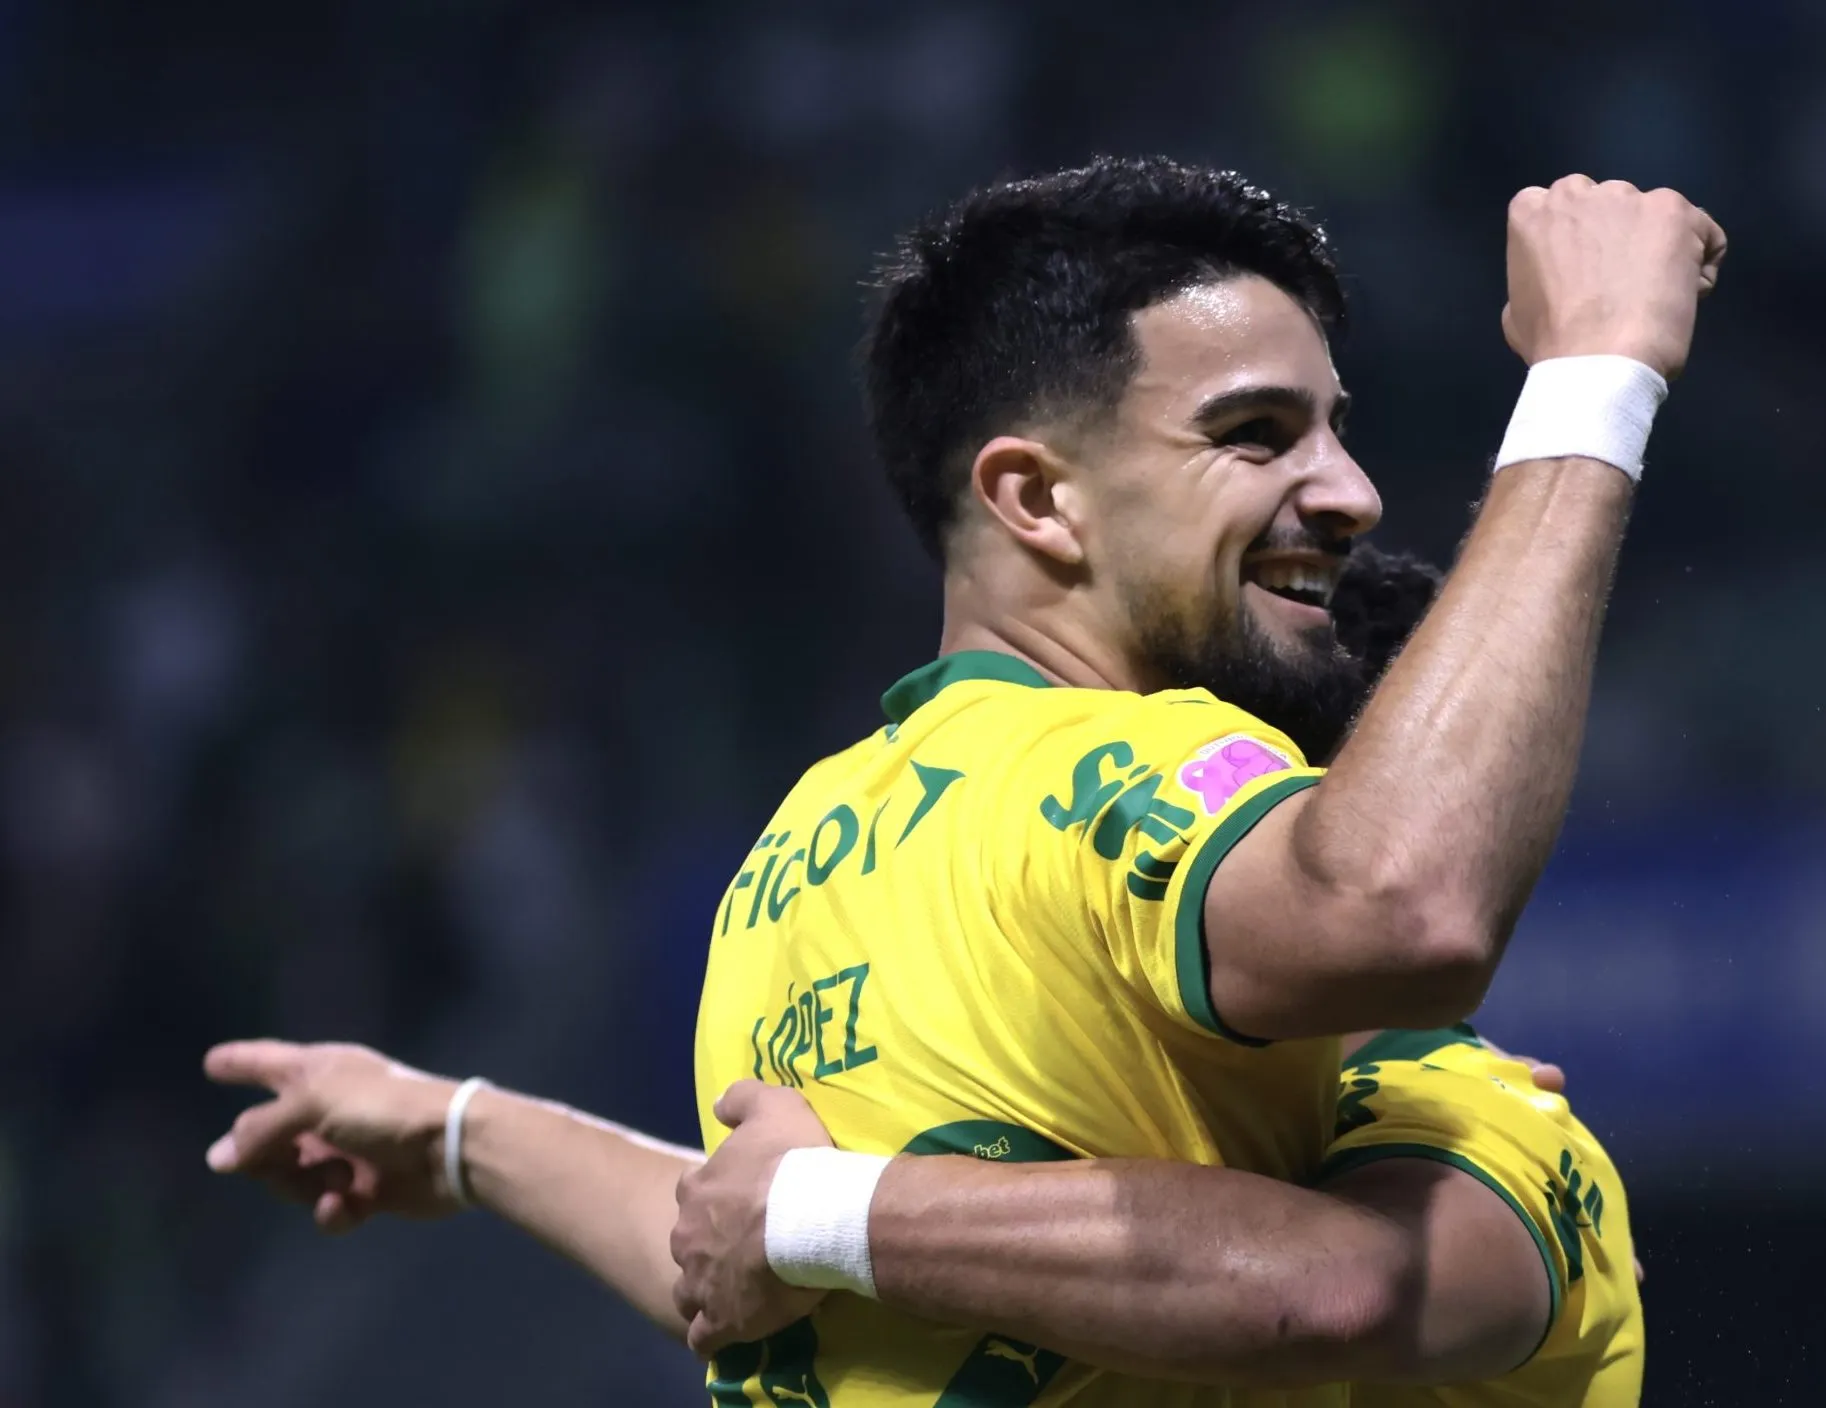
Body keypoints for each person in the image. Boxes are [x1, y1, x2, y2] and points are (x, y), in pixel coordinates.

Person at [208, 156, 1723, 1404]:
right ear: (1034, 498)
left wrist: (478, 1132)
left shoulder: (791, 867)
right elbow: (1393, 918)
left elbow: (764, 1257)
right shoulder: (1136, 796)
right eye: (1254, 433)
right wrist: (1593, 377)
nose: (1350, 490)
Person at [205, 553, 1643, 1405]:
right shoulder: (1145, 1128)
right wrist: (458, 1129)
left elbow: (1329, 1289)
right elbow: (743, 1257)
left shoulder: (1478, 1121)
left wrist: (813, 1207)